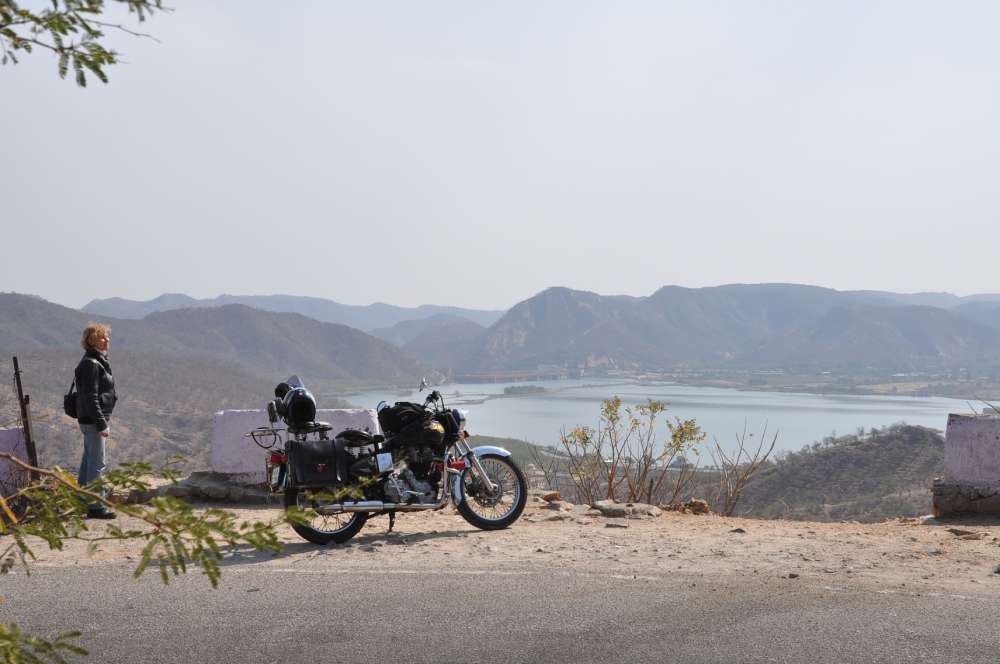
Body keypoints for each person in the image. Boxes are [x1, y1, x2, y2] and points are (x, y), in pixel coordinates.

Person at [76, 323, 118, 519]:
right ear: (92, 340)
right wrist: (101, 423)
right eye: (103, 337)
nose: (107, 340)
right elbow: (91, 396)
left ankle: (82, 500)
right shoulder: (92, 364)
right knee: (97, 464)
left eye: (107, 337)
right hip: (93, 421)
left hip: (88, 419)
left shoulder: (94, 361)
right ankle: (96, 506)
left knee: (88, 461)